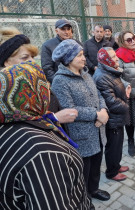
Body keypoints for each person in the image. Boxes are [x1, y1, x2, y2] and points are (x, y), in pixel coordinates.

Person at [0, 62, 90, 209]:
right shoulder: (42, 153)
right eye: (43, 84)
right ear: (32, 93)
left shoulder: (10, 125)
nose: (48, 88)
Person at [51, 39, 111, 203]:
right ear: (68, 59)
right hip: (81, 136)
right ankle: (83, 198)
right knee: (83, 170)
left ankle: (94, 189)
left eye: (83, 54)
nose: (84, 58)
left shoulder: (85, 73)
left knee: (96, 166)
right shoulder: (60, 80)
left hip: (98, 130)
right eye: (79, 55)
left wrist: (104, 111)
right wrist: (96, 115)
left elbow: (98, 95)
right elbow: (69, 109)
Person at [0, 27, 78, 126]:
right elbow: (19, 125)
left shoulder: (36, 84)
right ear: (6, 62)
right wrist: (54, 118)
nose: (32, 62)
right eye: (25, 57)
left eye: (32, 57)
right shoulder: (5, 95)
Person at [93, 47, 131, 181]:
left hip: (117, 117)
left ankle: (116, 165)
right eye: (113, 57)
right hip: (112, 119)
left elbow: (117, 84)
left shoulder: (109, 71)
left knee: (118, 144)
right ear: (106, 60)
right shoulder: (102, 76)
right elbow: (111, 102)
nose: (117, 59)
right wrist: (127, 106)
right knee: (113, 146)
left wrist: (125, 86)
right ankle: (112, 172)